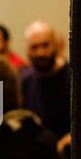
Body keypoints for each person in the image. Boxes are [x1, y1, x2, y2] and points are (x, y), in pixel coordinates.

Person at [20, 20, 72, 149]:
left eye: (45, 45)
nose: (40, 53)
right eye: (34, 47)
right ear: (25, 48)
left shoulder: (74, 77)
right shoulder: (23, 80)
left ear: (56, 44)